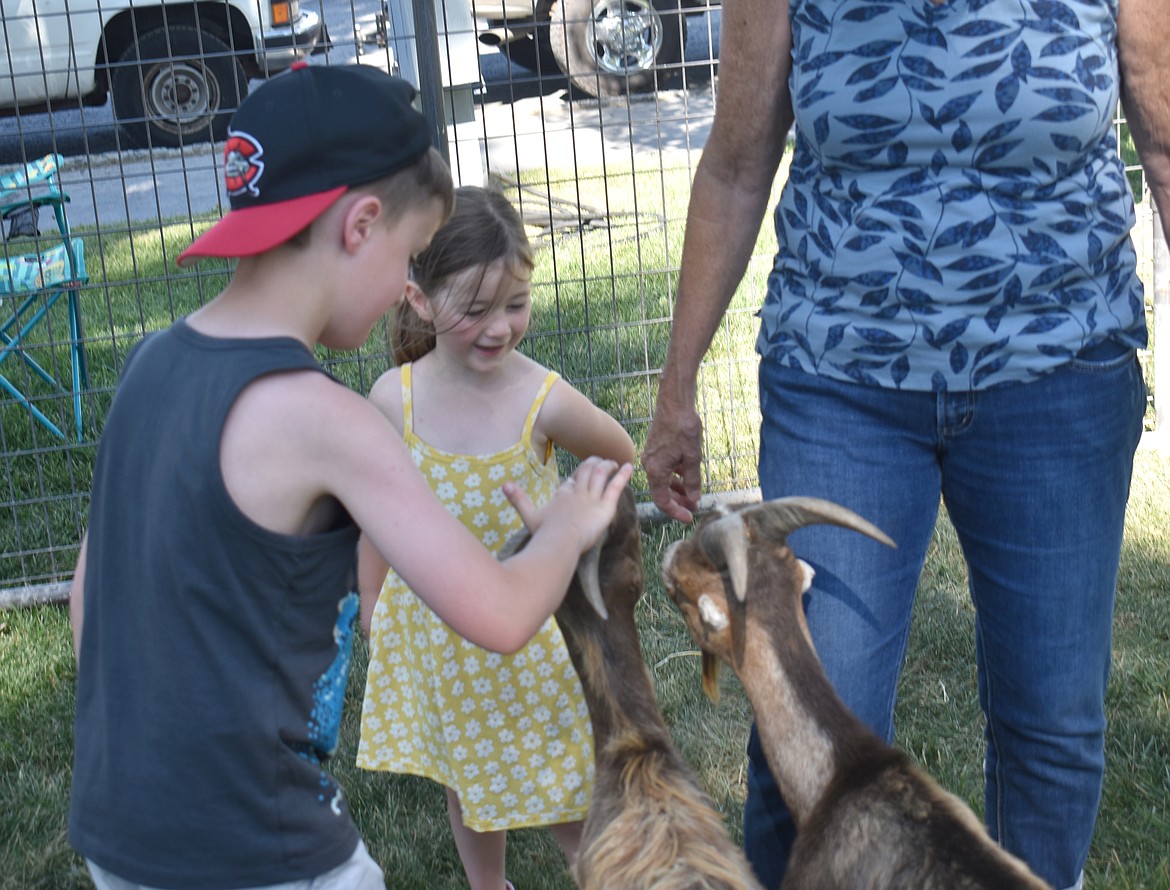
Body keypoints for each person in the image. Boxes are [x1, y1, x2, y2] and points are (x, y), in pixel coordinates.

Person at [642, 0, 1168, 888]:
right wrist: (676, 385)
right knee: (804, 714)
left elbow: (1162, 125)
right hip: (841, 381)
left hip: (1060, 375)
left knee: (1052, 726)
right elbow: (735, 168)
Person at [68, 63, 632, 890]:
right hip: (268, 845)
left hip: (121, 835)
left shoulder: (151, 364)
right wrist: (565, 528)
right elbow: (505, 613)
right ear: (362, 224)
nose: (406, 291)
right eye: (410, 254)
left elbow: (90, 601)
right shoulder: (327, 418)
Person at [355, 185, 636, 890]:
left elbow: (618, 453)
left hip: (533, 631)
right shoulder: (395, 399)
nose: (500, 327)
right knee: (469, 774)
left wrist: (574, 524)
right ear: (418, 299)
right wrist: (371, 604)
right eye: (475, 309)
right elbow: (375, 519)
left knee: (563, 782)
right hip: (442, 636)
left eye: (515, 304)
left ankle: (605, 875)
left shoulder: (540, 398)